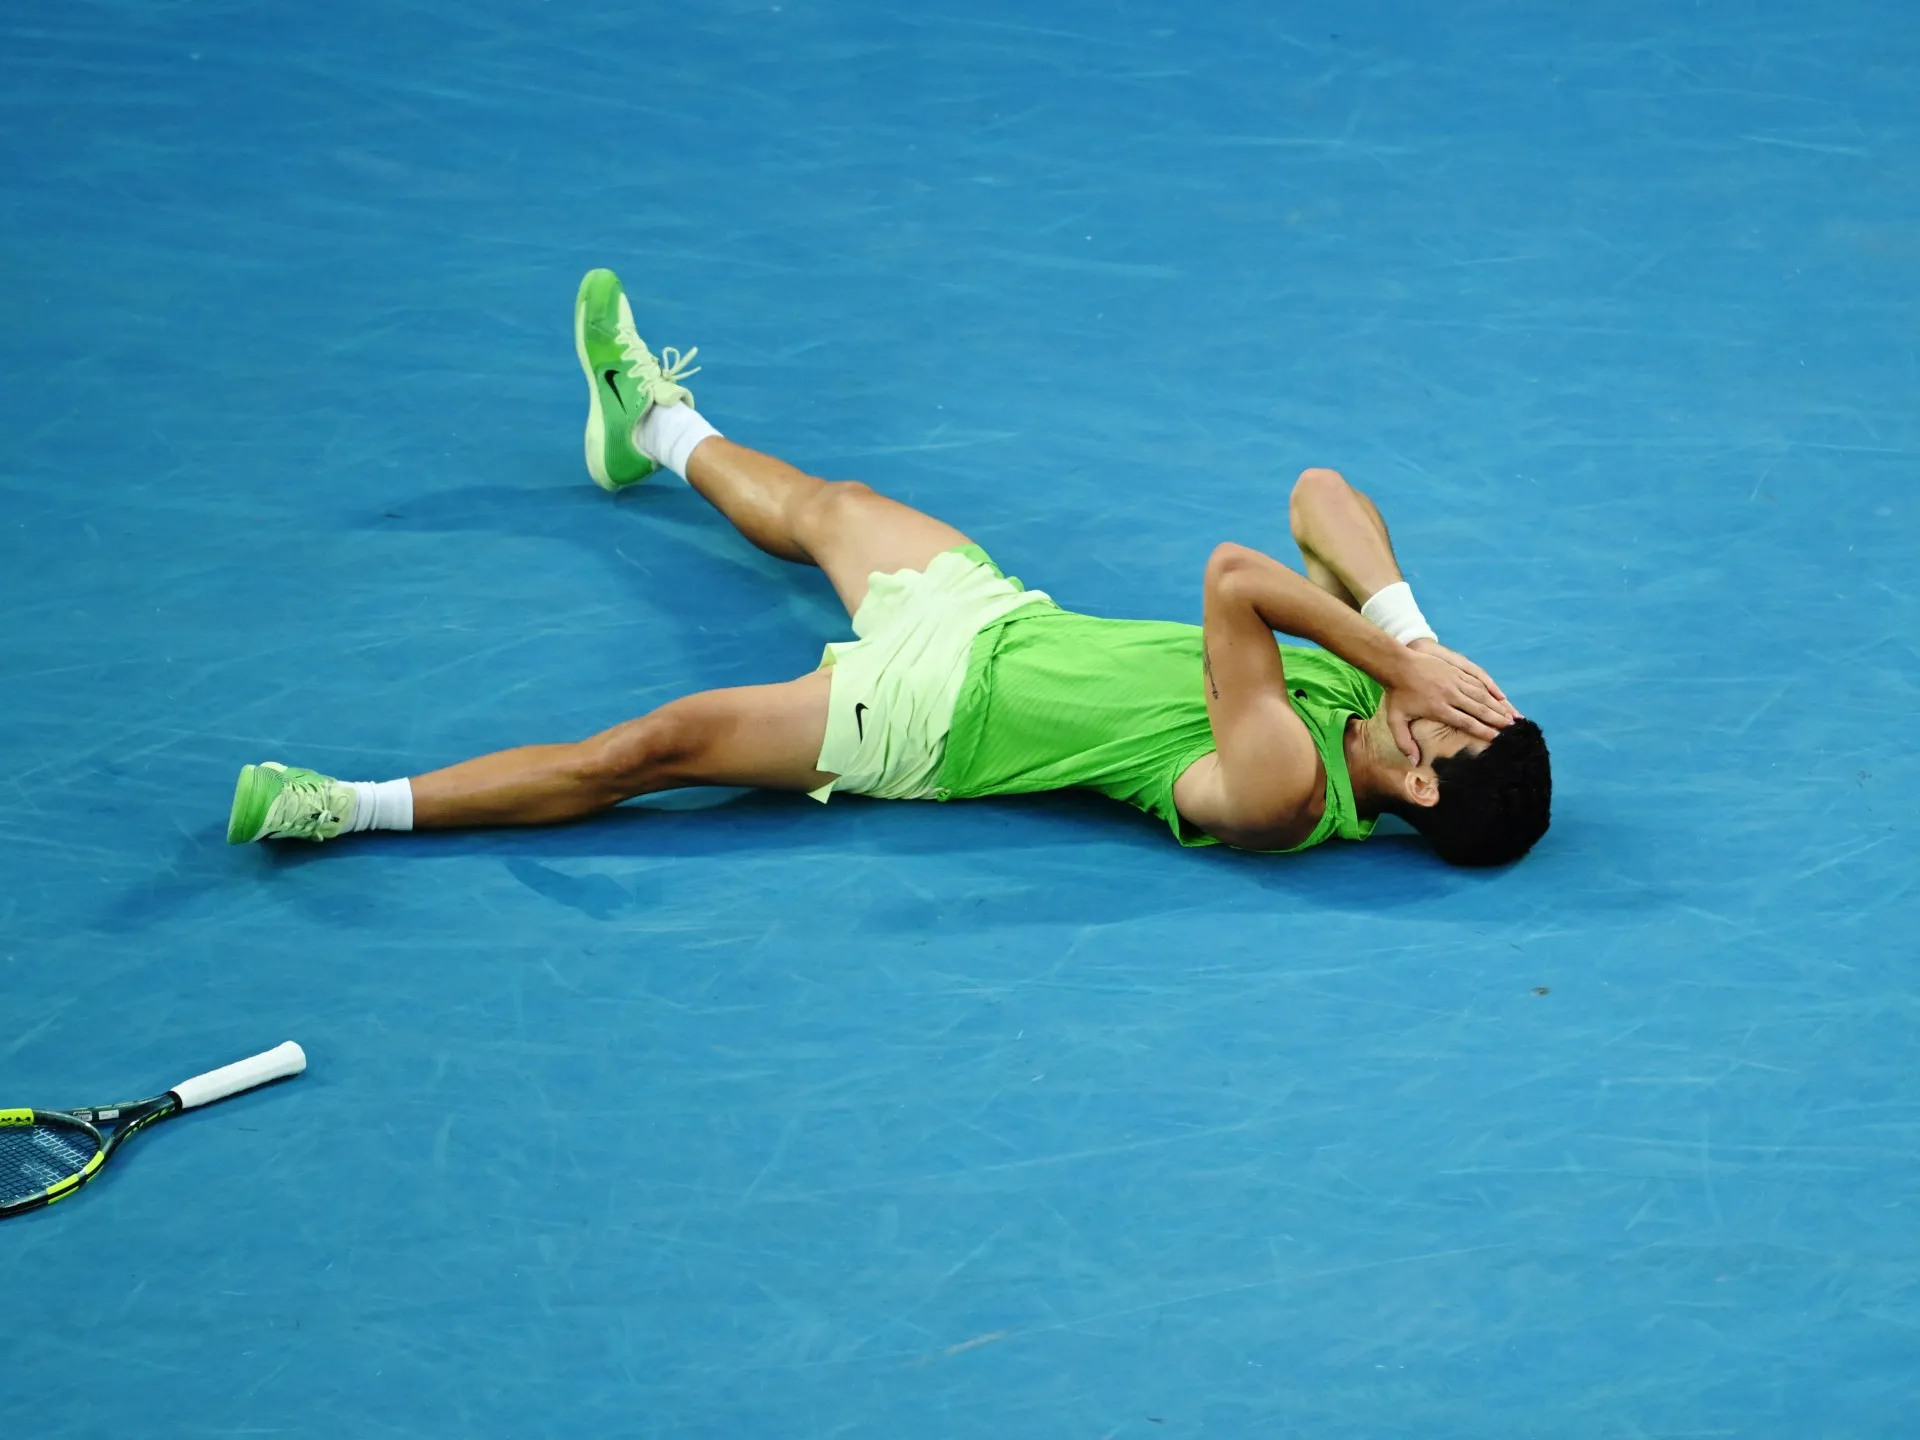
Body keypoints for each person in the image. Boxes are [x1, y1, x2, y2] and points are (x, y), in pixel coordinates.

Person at [226, 269, 1550, 866]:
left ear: (1422, 773)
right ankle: (650, 425)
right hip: (989, 618)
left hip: (926, 723)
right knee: (828, 504)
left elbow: (1236, 574)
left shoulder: (1286, 789)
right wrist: (1413, 631)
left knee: (644, 749)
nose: (1444, 692)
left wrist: (1400, 655)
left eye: (1452, 718)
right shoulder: (1392, 707)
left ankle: (345, 807)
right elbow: (1323, 493)